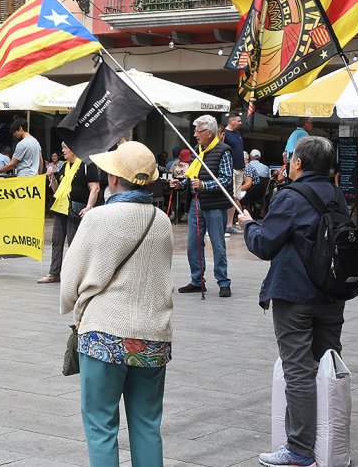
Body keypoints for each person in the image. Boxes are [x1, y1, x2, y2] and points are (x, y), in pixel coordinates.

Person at [238, 136, 358, 466]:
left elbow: (265, 244)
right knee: (326, 364)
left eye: (291, 158)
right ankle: (328, 436)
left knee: (299, 371)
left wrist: (249, 225)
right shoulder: (336, 194)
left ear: (298, 163)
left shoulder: (290, 196)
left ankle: (300, 449)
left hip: (295, 294)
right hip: (334, 292)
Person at [60, 141, 173, 467]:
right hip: (153, 336)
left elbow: (69, 284)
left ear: (113, 179)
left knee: (101, 426)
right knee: (148, 425)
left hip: (104, 335)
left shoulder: (98, 218)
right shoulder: (162, 221)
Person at [170, 115, 233, 297]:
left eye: (198, 131)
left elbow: (226, 179)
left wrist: (205, 185)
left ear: (209, 132)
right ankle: (197, 281)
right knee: (193, 244)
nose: (195, 135)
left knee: (218, 244)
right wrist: (181, 185)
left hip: (214, 204)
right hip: (196, 202)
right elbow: (192, 177)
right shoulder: (197, 151)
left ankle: (223, 282)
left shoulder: (223, 151)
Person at [37, 143, 100, 284]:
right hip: (61, 207)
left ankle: (75, 276)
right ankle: (54, 273)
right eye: (62, 148)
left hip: (76, 209)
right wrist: (51, 177)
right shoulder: (64, 166)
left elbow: (95, 188)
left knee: (74, 243)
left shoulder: (87, 164)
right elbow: (56, 189)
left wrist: (89, 206)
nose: (63, 151)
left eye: (66, 148)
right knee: (56, 241)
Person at [222, 113, 245, 235]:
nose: (241, 123)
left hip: (240, 168)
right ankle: (225, 224)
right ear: (231, 121)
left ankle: (229, 224)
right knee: (229, 196)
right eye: (238, 120)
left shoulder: (238, 133)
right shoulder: (224, 134)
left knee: (235, 197)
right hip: (230, 169)